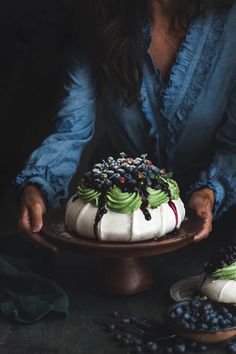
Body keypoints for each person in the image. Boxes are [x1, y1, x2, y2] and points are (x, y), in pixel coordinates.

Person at [16, 0, 236, 252]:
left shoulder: (230, 22)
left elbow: (233, 145)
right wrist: (38, 186)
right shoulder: (97, 22)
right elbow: (71, 130)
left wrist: (211, 191)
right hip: (113, 229)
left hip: (212, 236)